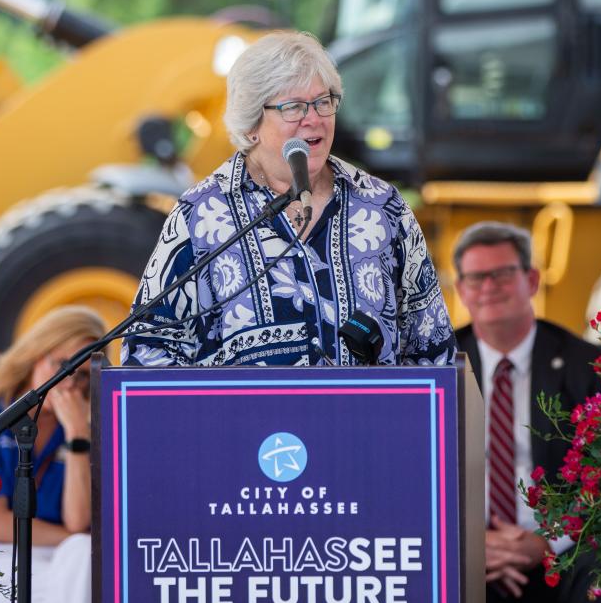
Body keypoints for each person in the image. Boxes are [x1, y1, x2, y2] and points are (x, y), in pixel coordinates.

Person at [122, 31, 456, 367]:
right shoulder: (201, 215)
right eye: (293, 107)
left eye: (323, 102)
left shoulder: (382, 206)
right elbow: (146, 352)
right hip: (243, 420)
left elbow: (434, 348)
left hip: (367, 419)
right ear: (252, 123)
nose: (313, 119)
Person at [452, 221, 601, 603]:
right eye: (476, 278)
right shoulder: (437, 365)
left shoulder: (586, 365)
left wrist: (546, 543)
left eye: (503, 274)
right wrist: (470, 542)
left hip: (562, 552)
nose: (489, 287)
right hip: (462, 548)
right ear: (460, 291)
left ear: (532, 281)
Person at [0, 305, 104, 603]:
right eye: (64, 366)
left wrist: (78, 435)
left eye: (85, 376)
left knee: (81, 559)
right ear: (37, 356)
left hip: (64, 555)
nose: (71, 384)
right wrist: (79, 540)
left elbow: (77, 523)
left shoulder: (80, 432)